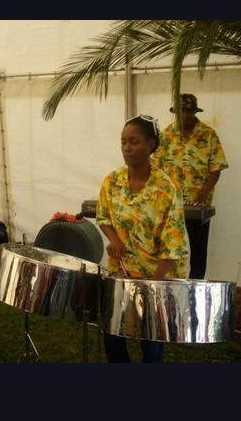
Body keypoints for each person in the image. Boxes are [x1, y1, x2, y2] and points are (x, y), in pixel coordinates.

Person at [96, 115, 189, 363]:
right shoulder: (111, 182)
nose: (127, 148)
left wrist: (153, 288)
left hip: (155, 277)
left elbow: (173, 243)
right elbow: (103, 217)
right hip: (121, 273)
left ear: (151, 145)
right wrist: (114, 238)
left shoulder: (166, 187)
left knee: (151, 344)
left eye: (134, 142)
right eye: (123, 141)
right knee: (113, 337)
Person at [152, 94, 229, 280]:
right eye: (181, 111)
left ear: (195, 112)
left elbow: (216, 168)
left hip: (197, 204)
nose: (185, 115)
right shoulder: (165, 135)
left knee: (198, 251)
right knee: (168, 248)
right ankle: (169, 285)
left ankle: (195, 287)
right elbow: (155, 168)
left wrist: (204, 192)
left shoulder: (208, 134)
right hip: (171, 205)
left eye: (189, 111)